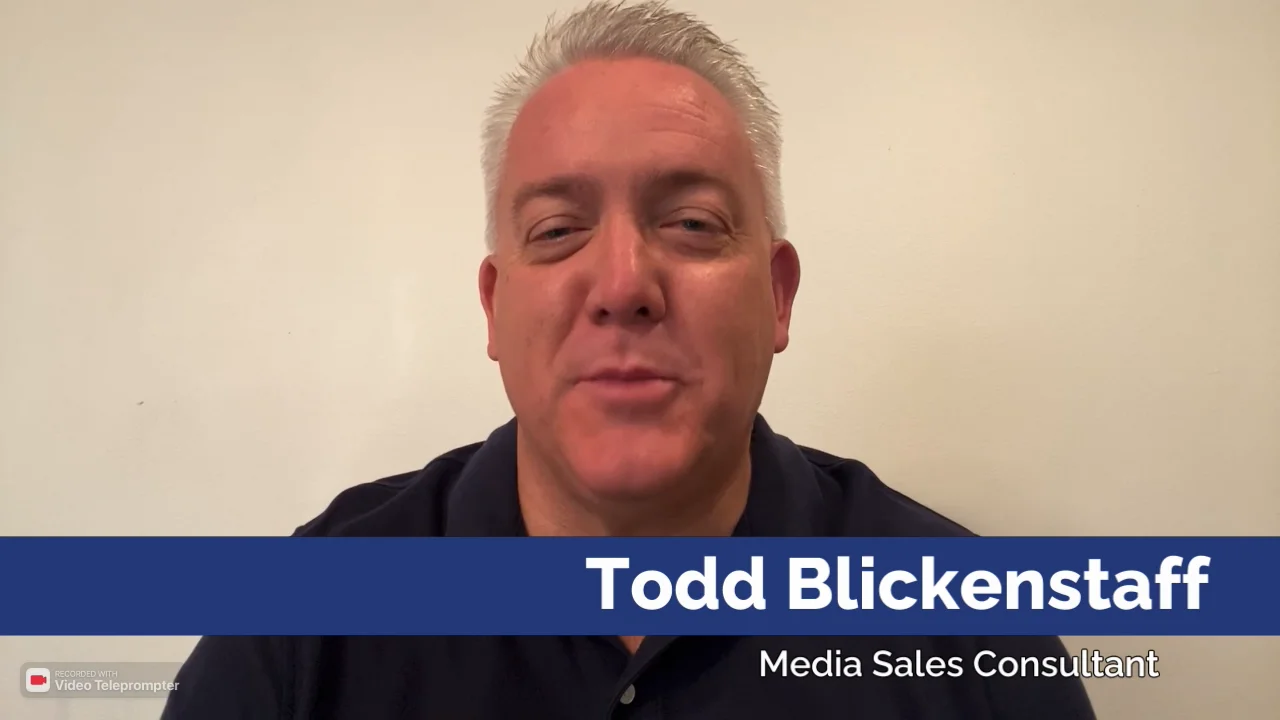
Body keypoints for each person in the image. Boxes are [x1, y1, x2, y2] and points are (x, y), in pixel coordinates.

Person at [162, 1, 1096, 717]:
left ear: (777, 296)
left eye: (691, 224)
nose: (622, 284)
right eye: (557, 230)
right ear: (493, 307)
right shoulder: (295, 630)